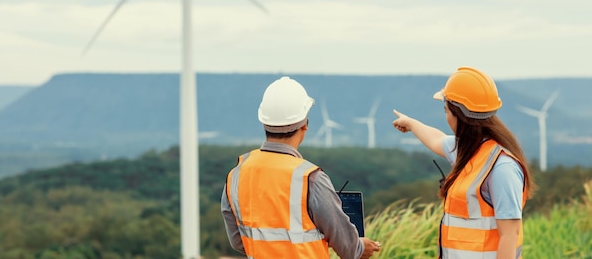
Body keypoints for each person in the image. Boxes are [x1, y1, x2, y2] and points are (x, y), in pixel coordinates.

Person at [221, 76, 381, 259]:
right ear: (305, 124)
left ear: (264, 122)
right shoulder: (310, 178)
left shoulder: (236, 174)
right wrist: (361, 247)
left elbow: (237, 240)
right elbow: (349, 249)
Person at [392, 66, 536, 259]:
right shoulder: (469, 151)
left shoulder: (502, 168)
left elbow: (510, 234)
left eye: (446, 110)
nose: (446, 117)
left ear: (458, 114)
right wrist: (411, 123)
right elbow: (437, 140)